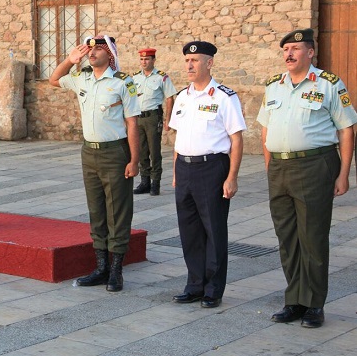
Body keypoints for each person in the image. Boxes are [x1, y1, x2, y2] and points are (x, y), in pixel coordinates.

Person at [257, 29, 357, 328]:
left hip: (315, 166)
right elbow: (265, 129)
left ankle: (314, 304)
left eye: (296, 48)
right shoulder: (274, 85)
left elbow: (346, 129)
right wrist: (270, 167)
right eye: (285, 49)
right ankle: (295, 301)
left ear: (310, 53)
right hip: (280, 168)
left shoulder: (329, 84)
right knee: (287, 237)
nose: (289, 54)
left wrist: (344, 174)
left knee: (312, 237)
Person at [49, 35, 140, 292]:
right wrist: (70, 60)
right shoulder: (82, 77)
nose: (91, 53)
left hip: (115, 152)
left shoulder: (123, 82)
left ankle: (116, 270)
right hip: (89, 152)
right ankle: (101, 268)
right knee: (96, 210)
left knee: (118, 211)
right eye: (89, 49)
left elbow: (132, 123)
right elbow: (54, 79)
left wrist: (134, 160)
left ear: (109, 54)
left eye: (98, 49)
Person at [169, 41, 246, 309]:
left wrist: (232, 176)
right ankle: (194, 285)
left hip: (211, 168)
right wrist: (176, 171)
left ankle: (213, 289)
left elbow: (236, 139)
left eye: (195, 61)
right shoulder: (182, 96)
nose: (189, 65)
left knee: (213, 229)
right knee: (189, 230)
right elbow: (178, 137)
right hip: (185, 168)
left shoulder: (224, 97)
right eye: (187, 61)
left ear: (209, 63)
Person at [131, 48, 177, 195]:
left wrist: (168, 119)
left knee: (154, 151)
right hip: (138, 117)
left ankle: (155, 183)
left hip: (153, 117)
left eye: (147, 59)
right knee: (141, 151)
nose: (144, 62)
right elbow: (130, 97)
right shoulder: (135, 78)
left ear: (153, 60)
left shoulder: (161, 77)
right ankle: (144, 182)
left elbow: (169, 98)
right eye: (142, 59)